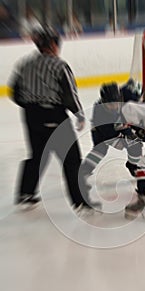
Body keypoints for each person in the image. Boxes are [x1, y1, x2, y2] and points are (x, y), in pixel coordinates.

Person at [8, 25, 89, 212]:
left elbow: (15, 92)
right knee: (71, 158)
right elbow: (69, 94)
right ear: (53, 45)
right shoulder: (59, 65)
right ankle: (81, 201)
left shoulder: (24, 64)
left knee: (37, 154)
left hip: (31, 116)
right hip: (53, 114)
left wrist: (31, 106)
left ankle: (25, 194)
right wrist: (79, 114)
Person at [79, 82, 143, 195]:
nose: (113, 107)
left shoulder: (128, 95)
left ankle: (132, 165)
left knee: (135, 143)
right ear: (103, 102)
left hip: (122, 123)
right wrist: (125, 137)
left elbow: (139, 89)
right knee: (100, 149)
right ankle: (84, 172)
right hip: (102, 131)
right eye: (109, 105)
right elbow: (109, 135)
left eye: (115, 103)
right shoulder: (99, 112)